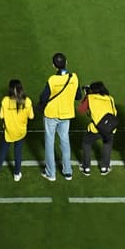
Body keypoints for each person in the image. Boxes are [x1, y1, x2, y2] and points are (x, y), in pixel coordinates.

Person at [37, 52, 80, 180]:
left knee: (49, 143)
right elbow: (78, 96)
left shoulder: (52, 80)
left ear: (53, 65)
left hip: (51, 114)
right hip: (66, 114)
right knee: (65, 141)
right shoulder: (74, 78)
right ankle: (68, 171)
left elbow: (43, 97)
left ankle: (51, 173)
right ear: (66, 63)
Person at [0, 79, 33, 182]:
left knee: (3, 152)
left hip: (8, 132)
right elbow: (31, 116)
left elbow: (1, 116)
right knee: (18, 152)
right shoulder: (27, 101)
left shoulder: (5, 101)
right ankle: (17, 174)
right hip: (21, 131)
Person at [78, 81, 117, 175]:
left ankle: (86, 168)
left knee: (86, 143)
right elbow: (114, 112)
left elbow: (81, 110)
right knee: (107, 144)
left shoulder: (90, 98)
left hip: (96, 129)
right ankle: (104, 168)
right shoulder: (110, 98)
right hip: (110, 128)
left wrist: (86, 96)